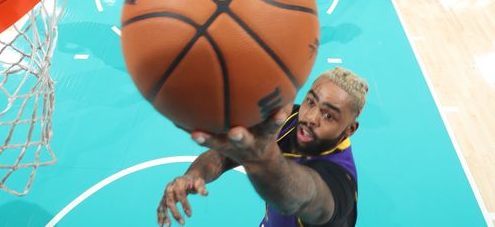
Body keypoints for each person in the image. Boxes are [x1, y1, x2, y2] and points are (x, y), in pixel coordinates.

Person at [157, 67, 368, 227]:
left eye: (329, 115)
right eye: (311, 102)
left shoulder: (341, 180)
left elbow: (298, 198)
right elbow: (225, 156)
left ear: (350, 129)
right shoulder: (291, 120)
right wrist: (194, 175)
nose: (311, 118)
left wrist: (259, 156)